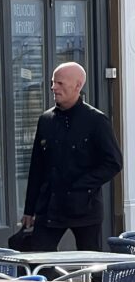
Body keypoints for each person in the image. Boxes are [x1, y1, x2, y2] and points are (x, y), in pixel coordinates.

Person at [21, 61, 122, 251]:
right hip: (50, 207)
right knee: (38, 257)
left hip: (85, 207)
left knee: (91, 264)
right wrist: (29, 209)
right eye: (53, 82)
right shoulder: (46, 120)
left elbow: (113, 162)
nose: (53, 87)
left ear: (78, 85)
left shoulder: (96, 121)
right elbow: (37, 168)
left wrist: (82, 185)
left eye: (59, 83)